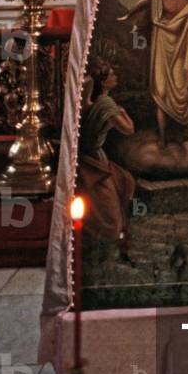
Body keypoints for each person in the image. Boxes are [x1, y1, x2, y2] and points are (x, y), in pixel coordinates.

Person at [120, 0, 188, 143]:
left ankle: (183, 136)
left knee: (183, 90)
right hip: (163, 46)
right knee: (161, 91)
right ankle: (162, 137)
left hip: (184, 49)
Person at [78, 60, 136, 254]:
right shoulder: (106, 103)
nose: (115, 77)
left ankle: (119, 236)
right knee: (109, 206)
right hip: (95, 159)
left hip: (90, 157)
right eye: (111, 75)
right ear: (103, 82)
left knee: (125, 182)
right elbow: (128, 129)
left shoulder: (93, 101)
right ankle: (113, 236)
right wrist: (125, 113)